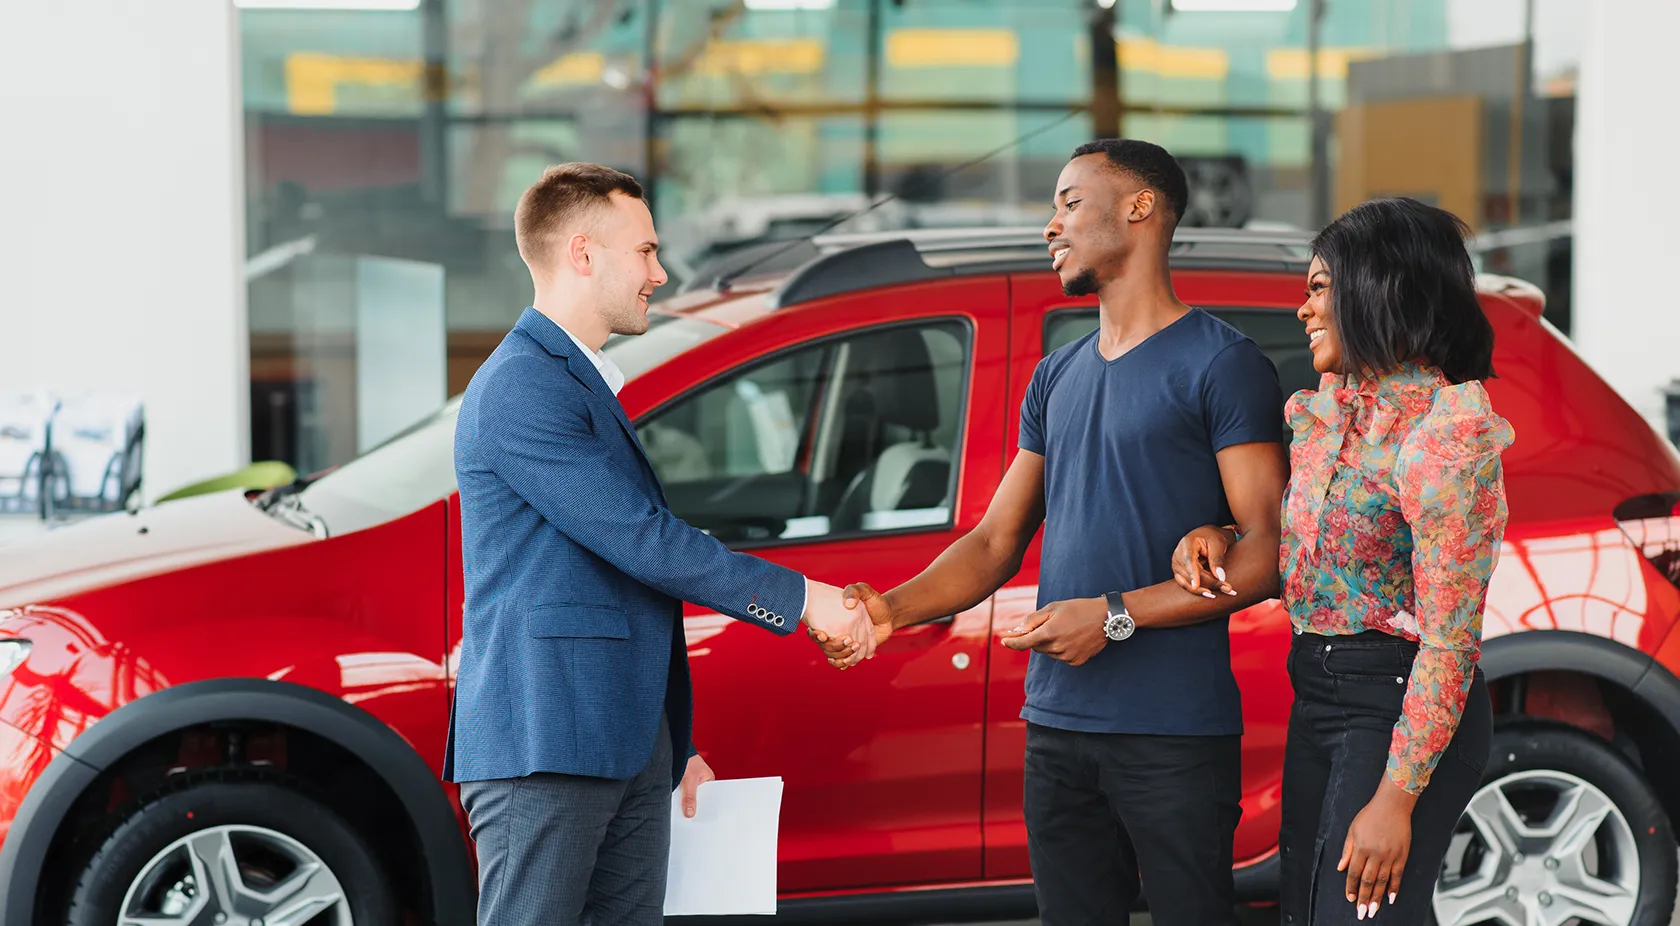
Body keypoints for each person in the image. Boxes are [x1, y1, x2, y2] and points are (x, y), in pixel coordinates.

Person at [825, 139, 1290, 925]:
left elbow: (1266, 552)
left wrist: (1114, 616)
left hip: (1173, 731)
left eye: (1071, 202)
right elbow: (993, 542)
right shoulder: (1057, 375)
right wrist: (890, 610)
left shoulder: (1222, 364)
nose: (1052, 225)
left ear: (1139, 208)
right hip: (1058, 729)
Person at [445, 162, 874, 926]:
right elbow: (641, 541)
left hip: (618, 741)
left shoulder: (575, 380)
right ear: (582, 253)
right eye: (645, 252)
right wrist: (805, 599)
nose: (661, 272)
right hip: (546, 745)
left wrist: (671, 743)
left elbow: (614, 572)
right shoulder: (522, 385)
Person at [1171, 197, 1511, 924]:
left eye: (1320, 287)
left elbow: (1451, 641)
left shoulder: (1445, 434)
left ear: (1378, 287)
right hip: (1319, 693)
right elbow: (1316, 550)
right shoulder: (1335, 405)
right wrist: (1221, 533)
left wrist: (1396, 799)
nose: (1303, 309)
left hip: (1395, 706)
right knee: (1306, 913)